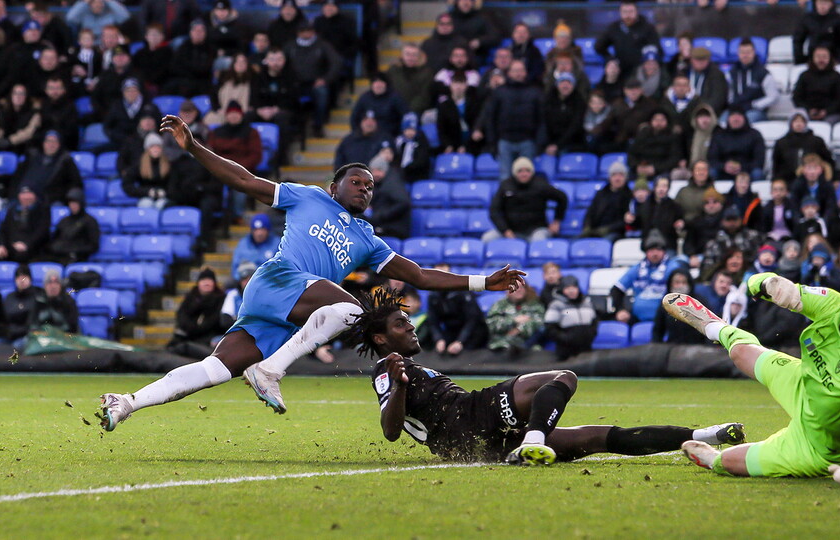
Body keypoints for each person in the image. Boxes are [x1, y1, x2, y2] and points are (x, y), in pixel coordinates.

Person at [99, 114, 526, 429]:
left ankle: (127, 402)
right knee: (352, 310)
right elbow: (246, 181)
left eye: (370, 185)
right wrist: (193, 147)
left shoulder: (367, 238)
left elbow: (417, 275)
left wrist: (483, 281)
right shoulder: (306, 197)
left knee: (213, 370)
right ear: (332, 187)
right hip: (280, 278)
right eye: (356, 182)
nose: (365, 188)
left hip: (288, 311)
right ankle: (270, 371)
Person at [354, 288, 744, 464]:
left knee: (599, 438)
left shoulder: (405, 367)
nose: (411, 327)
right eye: (402, 324)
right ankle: (534, 439)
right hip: (473, 416)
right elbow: (390, 430)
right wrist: (400, 385)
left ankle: (702, 436)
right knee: (563, 376)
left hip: (478, 445)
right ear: (380, 336)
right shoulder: (389, 368)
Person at [669, 271, 840, 489]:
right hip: (801, 382)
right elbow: (756, 283)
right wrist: (768, 283)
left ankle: (713, 459)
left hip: (818, 445)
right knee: (740, 353)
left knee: (727, 463)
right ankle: (714, 327)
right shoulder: (830, 304)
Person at [476, 60, 545, 180]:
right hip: (505, 141)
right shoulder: (499, 92)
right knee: (505, 177)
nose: (518, 73)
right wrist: (492, 143)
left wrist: (539, 142)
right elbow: (491, 118)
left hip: (527, 141)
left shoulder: (535, 92)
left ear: (525, 72)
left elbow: (542, 119)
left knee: (526, 178)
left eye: (521, 70)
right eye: (515, 70)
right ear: (509, 73)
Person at [483, 157, 567, 243]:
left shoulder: (541, 185)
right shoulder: (505, 186)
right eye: (520, 171)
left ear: (532, 172)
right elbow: (494, 210)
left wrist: (557, 221)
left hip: (536, 229)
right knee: (487, 238)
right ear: (515, 173)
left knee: (538, 242)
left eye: (527, 170)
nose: (524, 174)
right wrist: (505, 231)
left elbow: (562, 197)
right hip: (510, 230)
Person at [283, 18, 341, 138]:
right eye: (303, 31)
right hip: (295, 83)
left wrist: (325, 79)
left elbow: (336, 62)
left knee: (322, 93)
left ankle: (318, 125)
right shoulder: (290, 46)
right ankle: (296, 127)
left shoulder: (323, 45)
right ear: (298, 33)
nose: (306, 33)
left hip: (316, 82)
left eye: (308, 30)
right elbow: (282, 64)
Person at [611, 233, 685, 324]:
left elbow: (681, 291)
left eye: (658, 249)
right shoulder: (637, 269)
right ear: (646, 252)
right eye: (651, 250)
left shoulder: (672, 267)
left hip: (665, 319)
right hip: (636, 318)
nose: (655, 253)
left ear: (664, 251)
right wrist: (620, 310)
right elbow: (617, 289)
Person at [425, 263, 488, 355]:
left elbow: (472, 320)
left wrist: (460, 342)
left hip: (473, 331)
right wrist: (438, 339)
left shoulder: (462, 291)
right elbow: (433, 321)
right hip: (452, 330)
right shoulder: (433, 296)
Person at [167, 266, 227, 359]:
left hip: (210, 337)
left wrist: (199, 329)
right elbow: (181, 316)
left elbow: (215, 320)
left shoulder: (221, 298)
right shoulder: (191, 297)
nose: (206, 283)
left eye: (209, 280)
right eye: (203, 280)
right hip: (189, 334)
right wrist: (191, 328)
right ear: (198, 283)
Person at [594, 0, 661, 83]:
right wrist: (610, 59)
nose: (628, 15)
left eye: (631, 11)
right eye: (624, 12)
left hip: (641, 71)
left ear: (636, 11)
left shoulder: (647, 28)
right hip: (621, 70)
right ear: (620, 13)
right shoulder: (614, 28)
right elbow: (599, 46)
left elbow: (657, 49)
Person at [10, 130, 82, 205]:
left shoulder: (66, 161)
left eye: (55, 141)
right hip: (23, 196)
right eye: (48, 141)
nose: (51, 144)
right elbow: (17, 179)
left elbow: (75, 183)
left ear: (59, 144)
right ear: (43, 143)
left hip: (49, 200)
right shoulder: (31, 157)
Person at [0, 186, 49, 263]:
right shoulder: (12, 210)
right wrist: (1, 245)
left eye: (29, 193)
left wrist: (27, 244)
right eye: (23, 193)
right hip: (11, 246)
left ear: (35, 195)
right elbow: (3, 230)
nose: (26, 196)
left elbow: (41, 232)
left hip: (32, 248)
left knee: (21, 256)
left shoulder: (43, 210)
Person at [544, 275, 597, 361]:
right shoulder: (556, 305)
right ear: (562, 289)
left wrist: (591, 334)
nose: (571, 291)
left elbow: (594, 322)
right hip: (565, 352)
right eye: (568, 288)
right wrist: (564, 338)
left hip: (586, 348)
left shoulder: (587, 303)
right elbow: (550, 327)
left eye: (574, 287)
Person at [772, 110, 833, 183]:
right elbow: (776, 165)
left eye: (801, 121)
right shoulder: (781, 143)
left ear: (806, 123)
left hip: (813, 181)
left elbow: (827, 161)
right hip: (787, 181)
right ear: (791, 123)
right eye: (795, 121)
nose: (798, 124)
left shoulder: (816, 141)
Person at [486, 284, 545, 358]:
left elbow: (539, 324)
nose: (518, 290)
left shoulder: (534, 305)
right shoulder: (499, 305)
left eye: (521, 287)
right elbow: (490, 325)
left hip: (527, 346)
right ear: (507, 291)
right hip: (501, 346)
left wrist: (518, 330)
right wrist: (513, 320)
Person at [727, 39, 778, 124]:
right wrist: (733, 104)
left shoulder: (763, 73)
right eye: (742, 52)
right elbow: (729, 93)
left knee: (746, 121)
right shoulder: (732, 73)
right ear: (738, 53)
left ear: (753, 52)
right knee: (722, 121)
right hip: (736, 110)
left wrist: (755, 105)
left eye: (748, 52)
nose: (745, 55)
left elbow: (773, 96)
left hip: (755, 111)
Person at [792, 46, 840, 125]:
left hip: (830, 114)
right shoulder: (804, 76)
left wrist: (826, 111)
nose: (821, 60)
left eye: (824, 57)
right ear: (813, 58)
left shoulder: (837, 77)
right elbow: (797, 97)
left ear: (830, 58)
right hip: (808, 113)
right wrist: (808, 110)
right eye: (818, 57)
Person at [45, 188, 100, 265]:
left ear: (81, 203)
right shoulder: (64, 221)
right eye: (71, 203)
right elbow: (54, 239)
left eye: (75, 203)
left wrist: (74, 249)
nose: (73, 206)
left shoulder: (89, 221)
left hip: (78, 258)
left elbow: (93, 245)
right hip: (58, 256)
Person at [707, 107, 766, 180]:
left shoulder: (754, 135)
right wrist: (724, 166)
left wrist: (741, 167)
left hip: (747, 172)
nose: (735, 119)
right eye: (732, 116)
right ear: (728, 119)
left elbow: (759, 160)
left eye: (739, 115)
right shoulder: (719, 135)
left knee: (757, 173)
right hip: (723, 171)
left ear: (745, 118)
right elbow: (712, 159)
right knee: (711, 172)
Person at [651, 268, 707, 345]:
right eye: (677, 282)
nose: (680, 286)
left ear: (689, 284)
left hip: (697, 349)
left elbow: (708, 329)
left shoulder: (699, 302)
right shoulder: (665, 304)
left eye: (684, 282)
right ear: (670, 284)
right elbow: (657, 331)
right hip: (673, 349)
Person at [580, 160, 632, 242]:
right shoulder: (601, 194)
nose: (617, 178)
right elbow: (590, 212)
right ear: (609, 177)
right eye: (614, 175)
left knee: (605, 241)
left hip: (615, 233)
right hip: (596, 230)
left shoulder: (629, 195)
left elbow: (626, 221)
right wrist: (587, 227)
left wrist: (607, 229)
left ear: (626, 178)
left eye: (621, 175)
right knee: (577, 241)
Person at [363, 153, 410, 239]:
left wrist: (381, 215)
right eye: (373, 170)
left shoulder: (392, 184)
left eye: (379, 170)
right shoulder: (377, 182)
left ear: (385, 170)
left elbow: (403, 202)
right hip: (383, 224)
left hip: (394, 228)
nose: (376, 173)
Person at [163, 19, 214, 97]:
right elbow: (174, 66)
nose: (198, 33)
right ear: (190, 33)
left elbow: (205, 69)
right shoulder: (184, 47)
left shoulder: (209, 48)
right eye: (196, 31)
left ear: (205, 33)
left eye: (201, 31)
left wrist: (189, 69)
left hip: (202, 81)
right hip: (183, 79)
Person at [792, 0, 840, 65]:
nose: (822, 6)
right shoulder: (807, 19)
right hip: (812, 59)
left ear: (831, 4)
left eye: (826, 3)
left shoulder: (839, 19)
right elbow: (798, 40)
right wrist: (800, 60)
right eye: (820, 3)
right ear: (815, 3)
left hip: (834, 59)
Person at [122, 133, 173, 209]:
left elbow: (175, 184)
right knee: (145, 204)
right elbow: (127, 184)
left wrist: (165, 192)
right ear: (147, 149)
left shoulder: (169, 164)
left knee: (161, 205)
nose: (155, 149)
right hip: (145, 196)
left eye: (158, 146)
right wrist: (146, 192)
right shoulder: (139, 165)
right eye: (152, 146)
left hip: (164, 197)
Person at [350, 72, 407, 139]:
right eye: (375, 82)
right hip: (367, 137)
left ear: (386, 84)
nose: (378, 85)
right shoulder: (365, 98)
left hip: (390, 136)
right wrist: (359, 133)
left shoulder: (395, 98)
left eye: (381, 82)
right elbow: (354, 117)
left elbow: (405, 115)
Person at [0, 83, 40, 154]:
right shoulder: (1, 109)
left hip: (19, 145)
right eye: (15, 93)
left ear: (26, 96)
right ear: (11, 95)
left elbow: (29, 132)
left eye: (22, 94)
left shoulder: (34, 113)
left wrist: (10, 141)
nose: (18, 96)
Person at [628, 110, 682, 178]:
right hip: (641, 170)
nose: (658, 123)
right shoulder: (643, 135)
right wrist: (636, 167)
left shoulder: (672, 137)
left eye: (662, 120)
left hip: (663, 171)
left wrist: (655, 168)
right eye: (656, 119)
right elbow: (632, 154)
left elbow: (674, 159)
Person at [542, 72, 585, 156]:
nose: (565, 86)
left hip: (571, 143)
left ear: (573, 86)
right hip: (550, 142)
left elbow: (575, 125)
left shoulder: (579, 101)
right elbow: (544, 123)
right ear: (557, 85)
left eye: (569, 83)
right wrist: (547, 144)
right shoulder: (548, 100)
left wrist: (558, 145)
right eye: (562, 82)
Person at [385, 43, 433, 116]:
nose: (410, 57)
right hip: (393, 111)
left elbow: (424, 96)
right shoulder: (393, 70)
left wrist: (408, 110)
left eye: (414, 55)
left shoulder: (427, 73)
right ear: (402, 55)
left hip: (416, 112)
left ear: (419, 56)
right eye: (407, 54)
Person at [0, 264, 40, 347]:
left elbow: (33, 322)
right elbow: (4, 317)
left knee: (17, 346)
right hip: (9, 335)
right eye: (18, 277)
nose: (22, 280)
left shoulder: (37, 296)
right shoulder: (9, 297)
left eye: (25, 277)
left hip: (27, 336)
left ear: (30, 279)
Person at [230, 213, 279, 279]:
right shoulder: (243, 244)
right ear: (252, 231)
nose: (259, 233)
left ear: (268, 230)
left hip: (269, 281)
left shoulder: (277, 243)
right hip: (245, 281)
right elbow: (235, 268)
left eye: (262, 229)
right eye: (256, 230)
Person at [31, 269, 78, 334]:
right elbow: (32, 325)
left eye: (56, 282)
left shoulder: (69, 302)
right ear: (44, 286)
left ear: (60, 285)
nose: (53, 286)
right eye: (50, 282)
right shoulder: (38, 301)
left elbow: (73, 328)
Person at [686, 47, 728, 115]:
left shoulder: (716, 75)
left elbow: (717, 98)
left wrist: (702, 110)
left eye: (703, 60)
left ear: (708, 60)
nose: (700, 62)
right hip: (685, 109)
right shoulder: (684, 72)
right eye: (697, 59)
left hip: (707, 112)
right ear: (691, 60)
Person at [65, 0, 130, 41]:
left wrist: (110, 1)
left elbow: (125, 17)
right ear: (90, 4)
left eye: (100, 2)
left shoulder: (110, 11)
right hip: (89, 43)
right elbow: (69, 18)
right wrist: (85, 2)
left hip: (108, 44)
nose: (97, 5)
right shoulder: (84, 12)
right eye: (94, 3)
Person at [221, 261, 257, 330]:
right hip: (236, 333)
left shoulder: (262, 295)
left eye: (251, 278)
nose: (248, 282)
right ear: (240, 280)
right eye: (244, 279)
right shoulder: (233, 294)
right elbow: (225, 321)